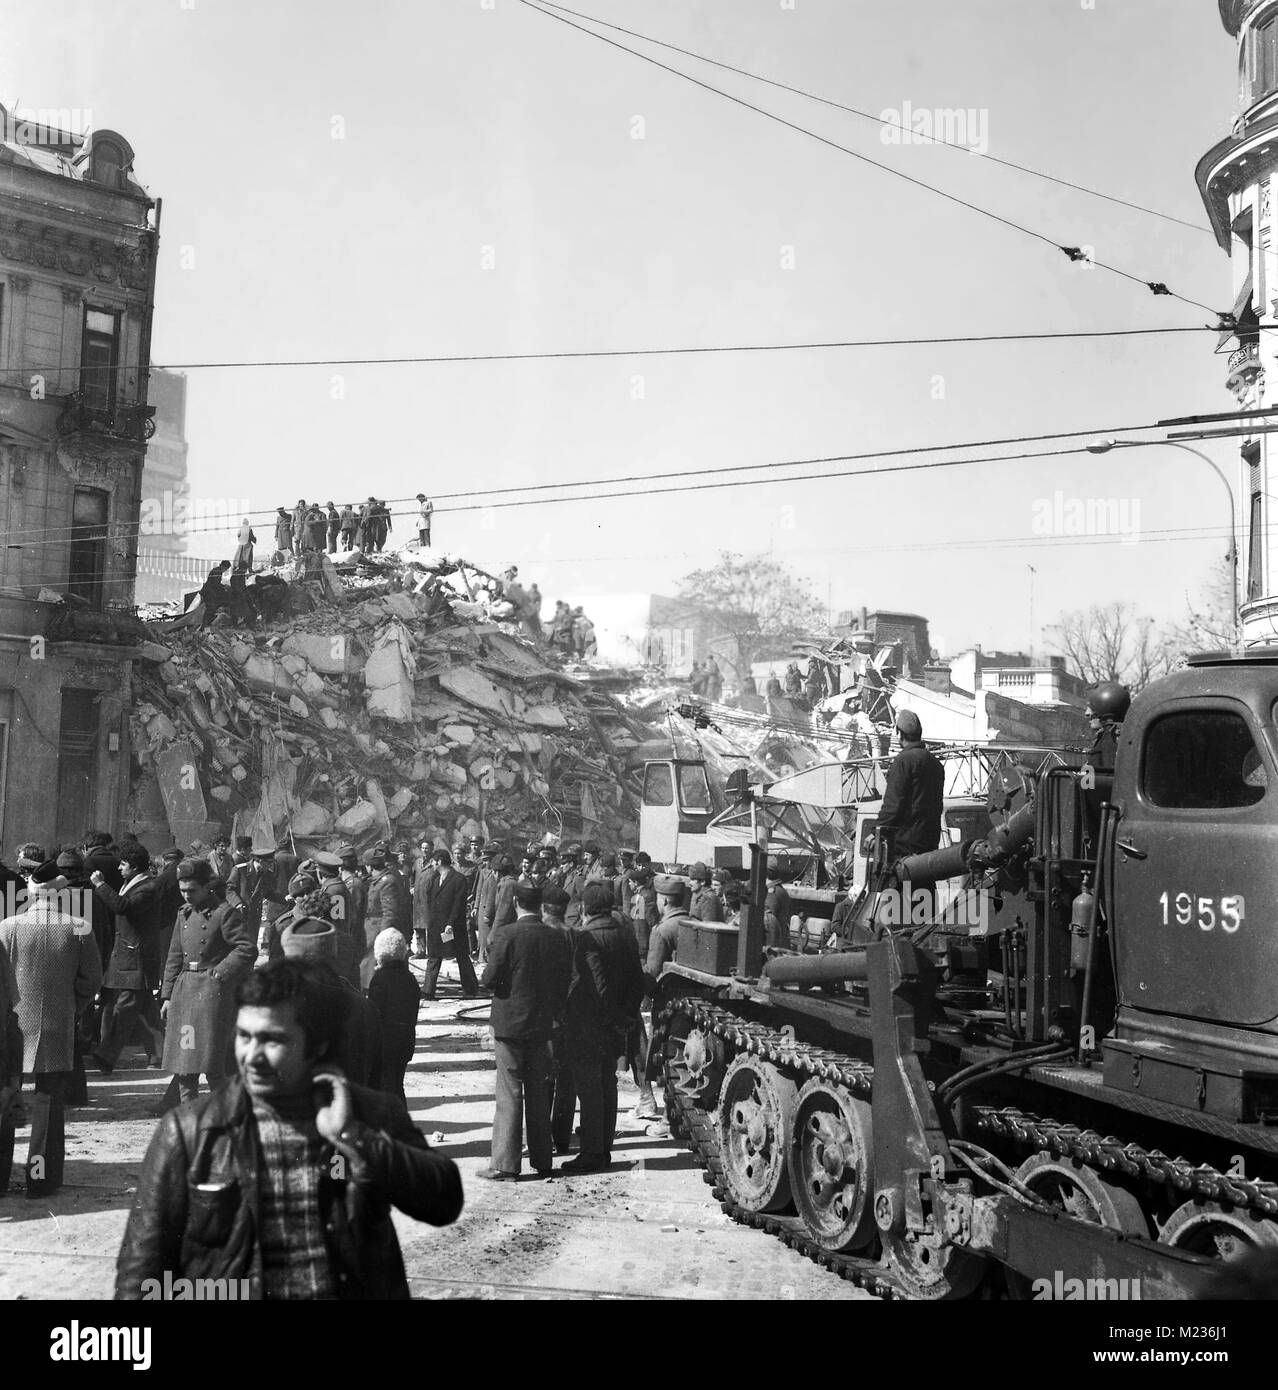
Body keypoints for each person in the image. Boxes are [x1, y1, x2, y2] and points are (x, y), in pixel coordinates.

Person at [116, 958, 463, 1300]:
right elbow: (141, 1271)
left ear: (317, 1045)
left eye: (273, 1040)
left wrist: (355, 1137)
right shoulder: (191, 1131)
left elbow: (444, 1201)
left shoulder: (371, 1115)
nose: (252, 1056)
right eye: (244, 1036)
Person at [0, 860, 102, 1197]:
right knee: (47, 1101)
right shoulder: (78, 926)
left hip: (11, 1024)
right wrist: (75, 1005)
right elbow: (92, 978)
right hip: (57, 1023)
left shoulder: (7, 927)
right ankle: (40, 1178)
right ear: (60, 893)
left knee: (5, 1099)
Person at [478, 883, 571, 1181]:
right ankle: (543, 1159)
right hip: (541, 1025)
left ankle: (505, 1164)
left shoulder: (507, 935)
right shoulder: (555, 937)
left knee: (509, 1092)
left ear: (516, 902)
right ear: (540, 904)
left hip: (509, 1025)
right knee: (538, 1091)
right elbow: (563, 982)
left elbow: (489, 979)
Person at [561, 882, 645, 1174]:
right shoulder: (625, 935)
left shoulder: (587, 939)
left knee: (589, 1089)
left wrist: (611, 1016)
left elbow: (599, 985)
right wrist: (627, 1017)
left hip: (589, 1024)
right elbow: (638, 980)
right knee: (608, 1085)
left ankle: (592, 1152)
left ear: (585, 908)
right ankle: (604, 1148)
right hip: (616, 1025)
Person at [160, 858, 255, 1105]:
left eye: (192, 890)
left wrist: (220, 972)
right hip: (184, 994)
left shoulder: (224, 913)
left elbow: (246, 948)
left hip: (212, 996)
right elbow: (174, 956)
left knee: (213, 1062)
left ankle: (224, 1113)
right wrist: (167, 996)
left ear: (206, 887)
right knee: (184, 1062)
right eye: (182, 891)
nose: (186, 896)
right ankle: (189, 1112)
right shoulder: (183, 914)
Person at [89, 842, 164, 1072]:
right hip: (124, 957)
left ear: (134, 867)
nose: (119, 868)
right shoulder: (131, 883)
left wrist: (100, 885)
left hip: (135, 958)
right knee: (145, 1012)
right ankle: (160, 1054)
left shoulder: (148, 888)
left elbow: (123, 907)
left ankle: (106, 1056)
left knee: (125, 1009)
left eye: (123, 864)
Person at [367, 928, 419, 1104]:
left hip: (384, 1045)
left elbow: (375, 1014)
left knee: (385, 1087)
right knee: (398, 1085)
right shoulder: (410, 979)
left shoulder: (380, 979)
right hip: (405, 1042)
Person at [421, 850, 480, 1001]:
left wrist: (450, 924)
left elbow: (458, 904)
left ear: (439, 861)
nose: (432, 865)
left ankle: (471, 989)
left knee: (461, 956)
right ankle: (428, 991)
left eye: (434, 862)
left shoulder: (458, 879)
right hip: (436, 926)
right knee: (434, 956)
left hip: (451, 927)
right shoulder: (434, 878)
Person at [1085, 682, 1130, 770]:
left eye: (1091, 706)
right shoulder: (1117, 735)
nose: (1087, 713)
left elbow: (1106, 776)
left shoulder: (1112, 737)